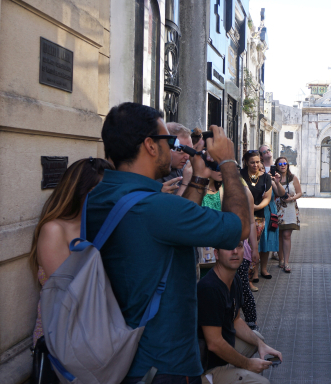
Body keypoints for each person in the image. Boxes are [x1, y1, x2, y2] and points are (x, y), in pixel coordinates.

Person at [87, 102, 250, 383]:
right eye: (168, 141)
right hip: (165, 365)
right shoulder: (155, 208)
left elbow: (175, 229)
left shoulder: (98, 196)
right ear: (150, 145)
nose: (173, 148)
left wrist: (198, 178)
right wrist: (228, 163)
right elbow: (240, 228)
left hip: (118, 356)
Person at [28, 157, 113, 383]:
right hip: (63, 342)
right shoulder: (54, 229)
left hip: (96, 338)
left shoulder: (100, 222)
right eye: (99, 191)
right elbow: (70, 294)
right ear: (79, 191)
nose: (107, 198)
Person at [198, 242, 283, 384]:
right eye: (228, 247)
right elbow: (214, 343)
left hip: (221, 351)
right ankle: (214, 378)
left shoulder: (234, 279)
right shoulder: (209, 288)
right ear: (216, 254)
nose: (235, 251)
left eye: (238, 246)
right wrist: (248, 364)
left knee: (257, 338)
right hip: (207, 365)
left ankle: (235, 369)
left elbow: (236, 320)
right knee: (262, 383)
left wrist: (261, 345)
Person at [201, 165, 261, 329]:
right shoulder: (199, 189)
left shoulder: (236, 189)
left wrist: (253, 248)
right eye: (215, 166)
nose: (220, 170)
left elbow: (249, 220)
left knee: (237, 287)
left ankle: (245, 323)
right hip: (204, 254)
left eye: (224, 166)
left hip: (231, 249)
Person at [240, 151, 283, 287]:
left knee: (254, 248)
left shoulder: (265, 177)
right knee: (241, 248)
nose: (255, 165)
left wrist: (256, 207)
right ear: (246, 162)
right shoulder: (239, 175)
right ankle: (240, 278)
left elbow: (267, 197)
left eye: (258, 162)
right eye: (252, 162)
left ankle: (250, 280)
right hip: (241, 216)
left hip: (258, 217)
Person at [274, 157, 302, 273]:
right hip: (277, 208)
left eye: (285, 163)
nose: (283, 165)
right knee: (279, 235)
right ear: (276, 166)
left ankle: (286, 262)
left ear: (287, 165)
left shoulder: (293, 178)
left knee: (286, 235)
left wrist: (292, 198)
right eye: (280, 164)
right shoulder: (274, 178)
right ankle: (280, 259)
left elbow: (300, 192)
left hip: (290, 209)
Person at [258, 145, 281, 271]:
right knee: (259, 238)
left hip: (271, 206)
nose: (268, 152)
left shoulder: (275, 169)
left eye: (269, 150)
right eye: (265, 151)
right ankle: (255, 270)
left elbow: (280, 192)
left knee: (268, 236)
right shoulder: (256, 174)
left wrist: (274, 181)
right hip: (259, 207)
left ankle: (264, 268)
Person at [158, 122, 193, 195]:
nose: (187, 157)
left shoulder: (184, 167)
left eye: (190, 151)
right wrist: (185, 183)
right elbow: (177, 205)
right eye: (181, 152)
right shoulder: (153, 173)